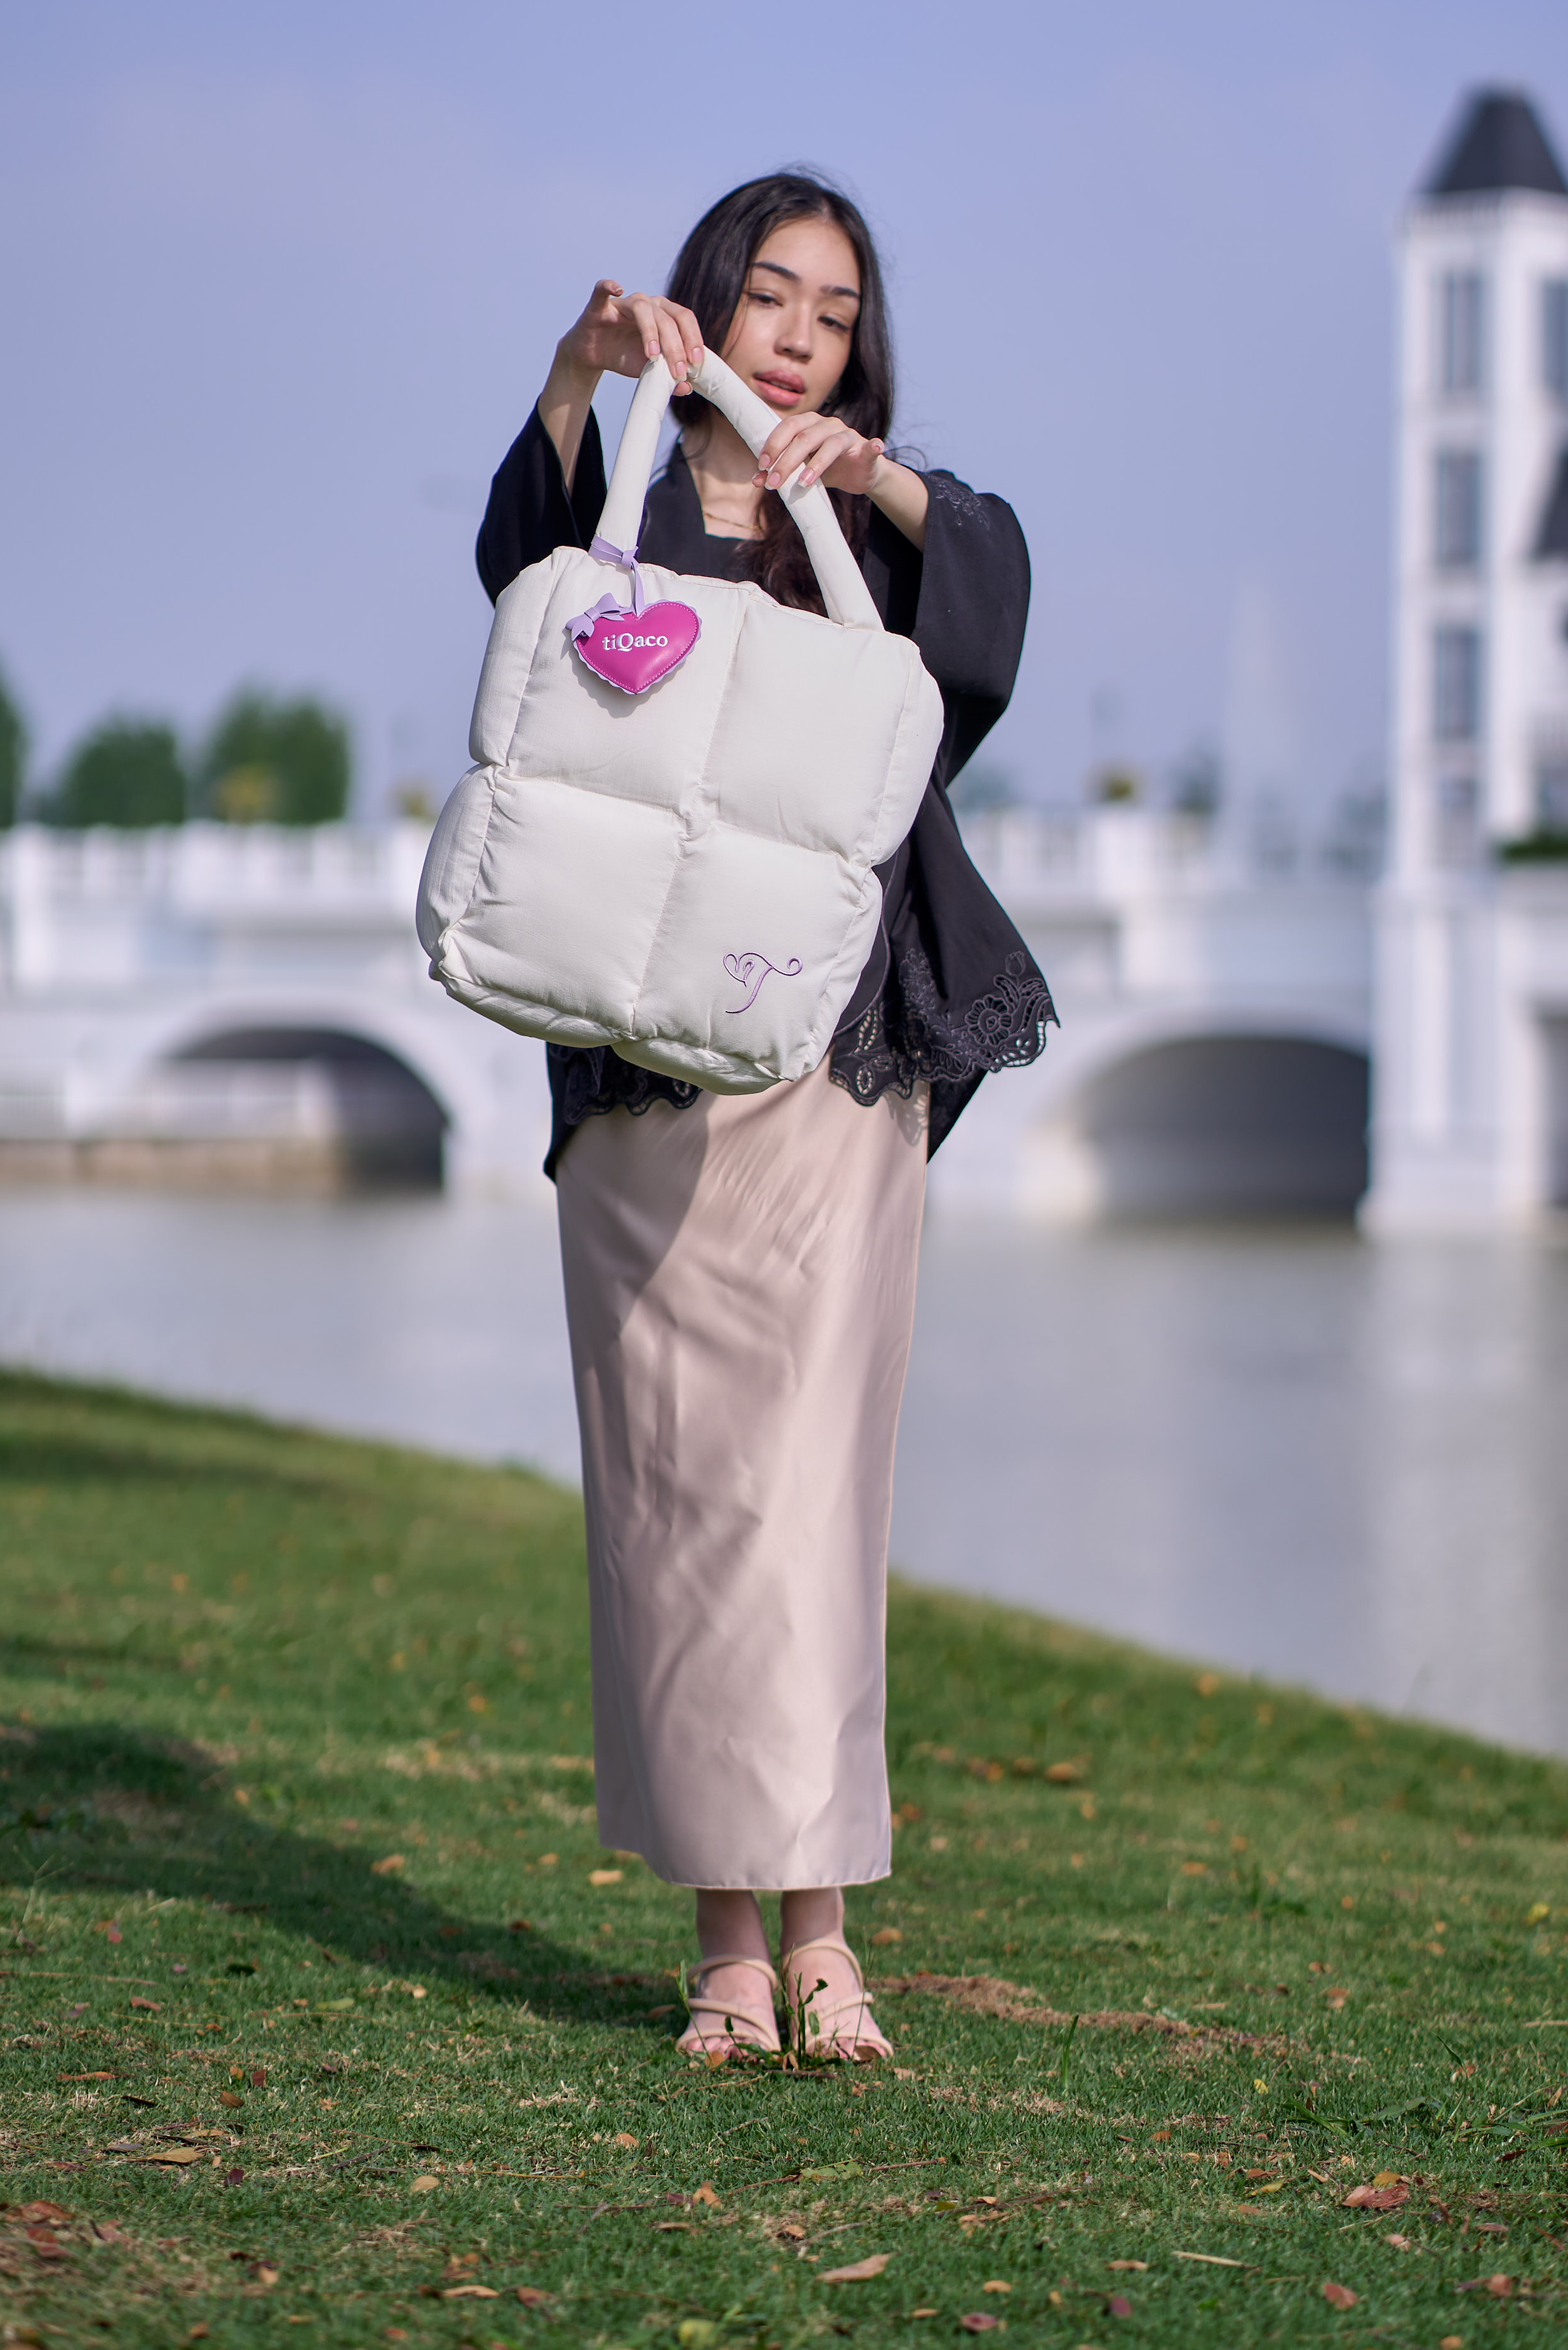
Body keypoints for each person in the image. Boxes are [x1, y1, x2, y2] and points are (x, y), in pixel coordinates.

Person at [475, 171, 1053, 2060]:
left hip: (827, 1073)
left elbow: (986, 608)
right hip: (639, 1090)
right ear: (710, 298)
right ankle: (725, 1939)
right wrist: (578, 372)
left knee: (810, 1500)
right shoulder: (630, 496)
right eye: (773, 294)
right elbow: (519, 574)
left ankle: (821, 1930)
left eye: (836, 308)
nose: (800, 330)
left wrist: (873, 474)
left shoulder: (867, 534)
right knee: (673, 1504)